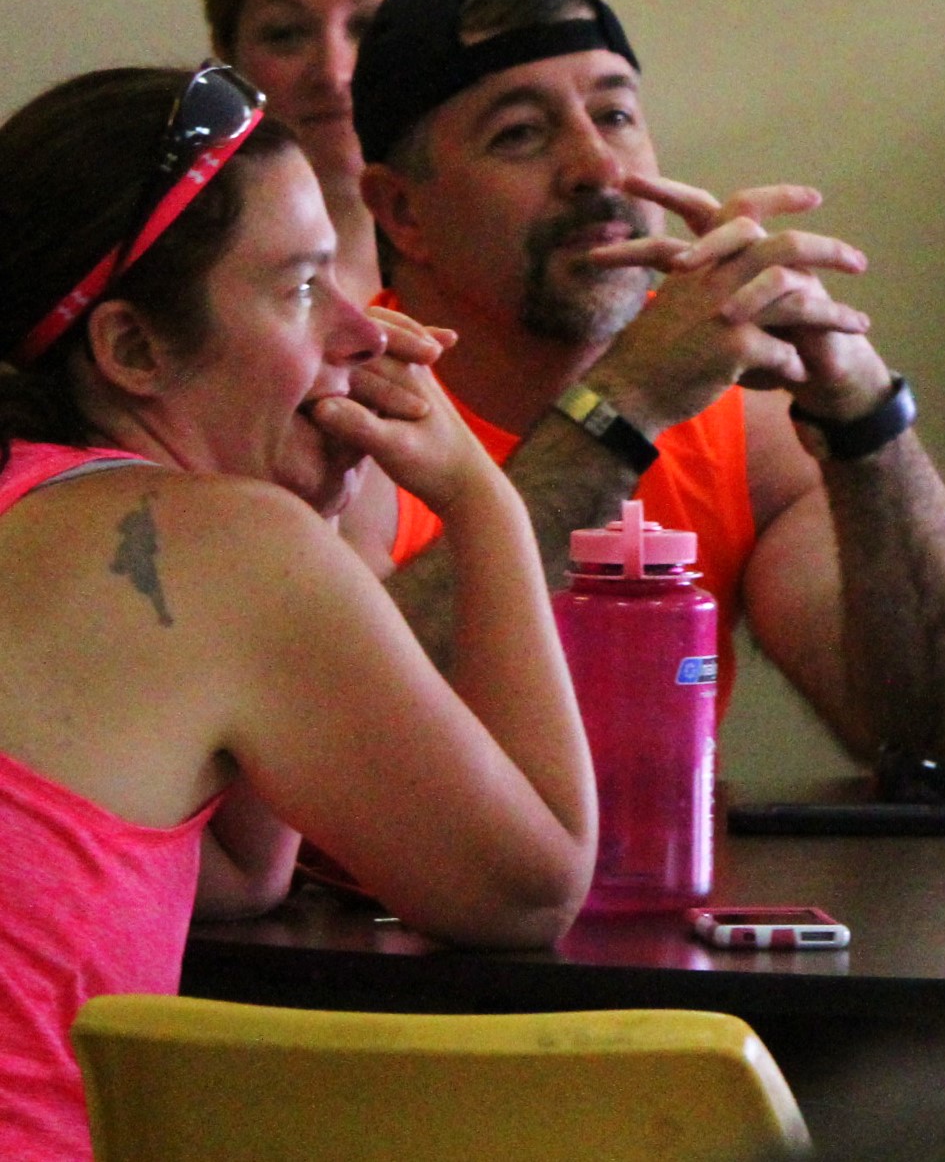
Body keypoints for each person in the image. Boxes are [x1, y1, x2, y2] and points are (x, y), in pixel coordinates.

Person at [0, 65, 593, 1161]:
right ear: (132, 350)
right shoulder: (218, 546)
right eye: (304, 288)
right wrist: (485, 504)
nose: (367, 332)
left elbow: (240, 877)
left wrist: (304, 514)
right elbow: (530, 888)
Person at [344, 0, 945, 775]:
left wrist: (863, 414)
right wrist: (620, 411)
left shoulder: (738, 426)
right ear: (403, 212)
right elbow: (355, 740)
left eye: (615, 115)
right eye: (519, 134)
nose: (597, 168)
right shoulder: (341, 413)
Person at [190, 0, 469, 307]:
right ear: (228, 54)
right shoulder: (183, 285)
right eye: (285, 34)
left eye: (370, 25)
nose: (334, 72)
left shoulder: (516, 264)